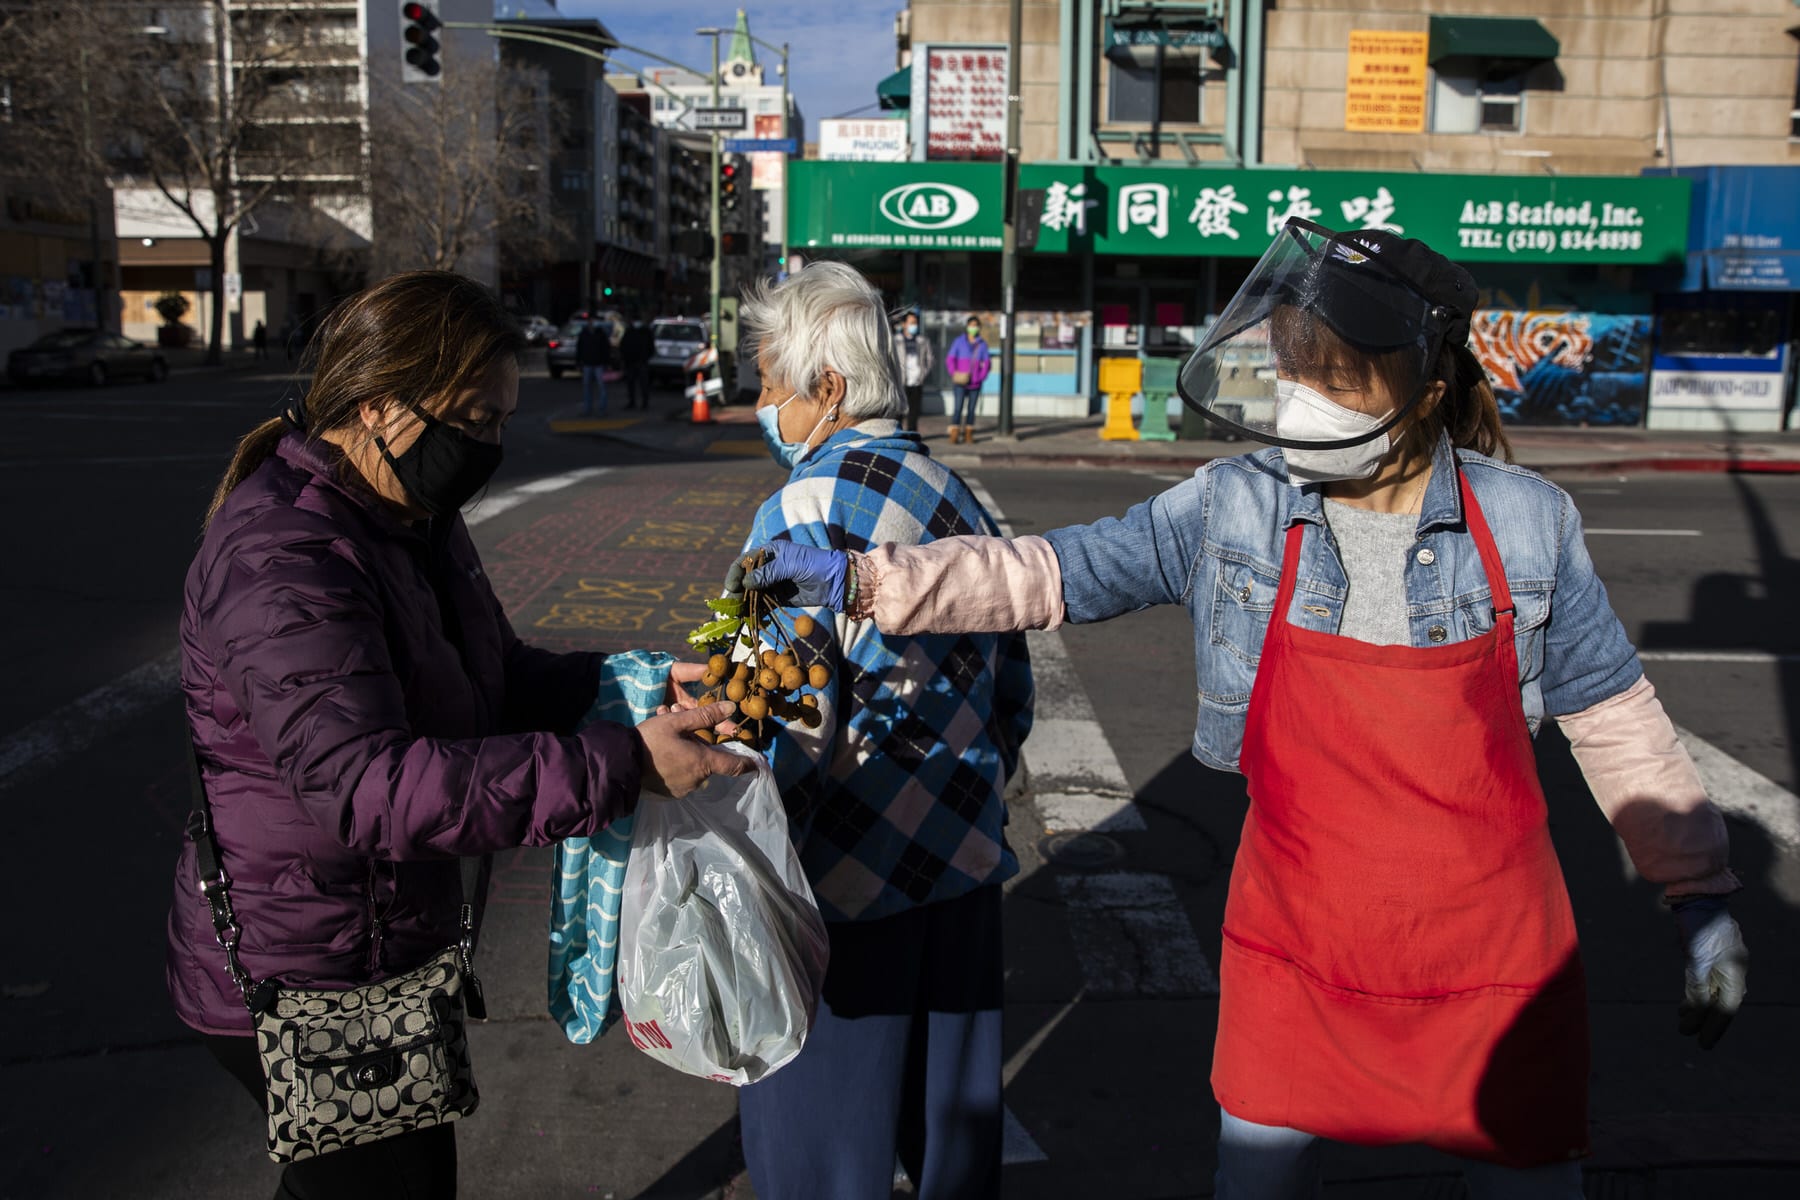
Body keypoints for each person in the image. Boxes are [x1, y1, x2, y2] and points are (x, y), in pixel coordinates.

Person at [737, 224, 1749, 1199]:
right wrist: (870, 582)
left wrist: (1697, 896)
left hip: (1490, 962)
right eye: (1293, 374)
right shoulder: (1241, 503)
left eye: (1334, 379)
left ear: (1426, 386)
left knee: (1529, 1180)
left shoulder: (1529, 524)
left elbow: (1613, 714)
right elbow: (1054, 572)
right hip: (1294, 954)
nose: (1303, 404)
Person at [169, 270, 744, 1199]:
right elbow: (365, 789)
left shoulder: (408, 515)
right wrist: (626, 765)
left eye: (501, 421)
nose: (488, 447)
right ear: (379, 403)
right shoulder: (286, 557)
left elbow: (496, 679)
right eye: (474, 419)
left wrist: (620, 683)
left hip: (379, 948)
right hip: (310, 973)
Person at [730, 262, 1035, 1200]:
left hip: (840, 886)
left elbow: (770, 724)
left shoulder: (796, 513)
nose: (764, 405)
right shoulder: (957, 494)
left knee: (822, 1155)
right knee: (952, 1147)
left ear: (827, 388)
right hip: (960, 866)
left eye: (770, 384)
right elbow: (1013, 694)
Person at [942, 315, 990, 445]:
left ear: (979, 327)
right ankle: (955, 434)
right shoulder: (959, 341)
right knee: (957, 408)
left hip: (975, 383)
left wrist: (980, 377)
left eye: (975, 325)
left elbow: (987, 363)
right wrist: (954, 373)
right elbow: (950, 359)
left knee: (971, 409)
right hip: (960, 382)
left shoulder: (982, 344)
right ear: (967, 327)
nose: (973, 328)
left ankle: (969, 434)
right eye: (971, 325)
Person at [890, 308, 935, 432]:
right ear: (904, 324)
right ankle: (897, 435)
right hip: (901, 381)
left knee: (914, 413)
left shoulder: (923, 341)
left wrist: (923, 373)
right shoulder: (895, 340)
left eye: (915, 323)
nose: (913, 326)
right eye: (911, 323)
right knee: (898, 412)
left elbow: (929, 359)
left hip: (916, 381)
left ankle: (912, 437)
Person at [576, 313, 613, 416]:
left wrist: (607, 362)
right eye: (590, 321)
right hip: (587, 363)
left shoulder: (601, 334)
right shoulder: (584, 333)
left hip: (599, 364)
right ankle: (588, 409)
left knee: (602, 387)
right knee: (587, 387)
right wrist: (579, 362)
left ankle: (602, 409)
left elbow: (606, 349)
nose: (592, 323)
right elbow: (579, 348)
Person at [619, 309, 654, 410]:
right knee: (631, 383)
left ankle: (644, 402)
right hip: (631, 361)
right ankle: (632, 402)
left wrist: (646, 357)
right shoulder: (630, 331)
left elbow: (650, 346)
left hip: (641, 361)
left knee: (643, 384)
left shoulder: (645, 331)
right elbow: (624, 346)